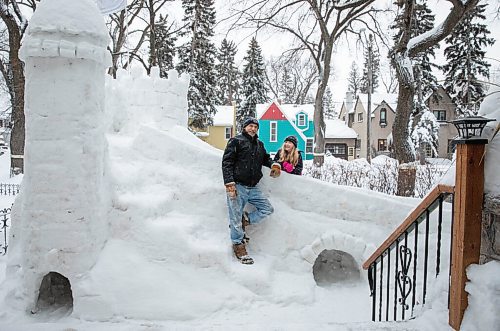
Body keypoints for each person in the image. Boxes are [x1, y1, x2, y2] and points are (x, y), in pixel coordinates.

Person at [222, 117, 281, 265]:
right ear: (244, 127)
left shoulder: (259, 145)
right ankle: (238, 245)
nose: (253, 129)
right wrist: (229, 183)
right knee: (235, 217)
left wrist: (274, 165)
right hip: (238, 186)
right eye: (250, 126)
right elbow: (227, 162)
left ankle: (246, 220)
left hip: (253, 188)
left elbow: (266, 159)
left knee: (267, 209)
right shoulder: (236, 141)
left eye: (255, 126)